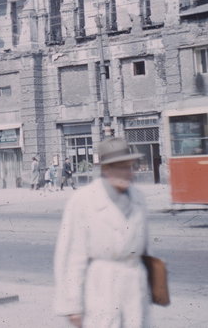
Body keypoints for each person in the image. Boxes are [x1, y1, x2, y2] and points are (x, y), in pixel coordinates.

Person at [54, 137, 150, 328]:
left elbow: (146, 249)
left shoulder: (139, 197)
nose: (129, 173)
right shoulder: (83, 201)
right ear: (107, 169)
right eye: (122, 167)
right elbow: (71, 255)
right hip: (102, 285)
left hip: (135, 286)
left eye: (130, 166)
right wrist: (72, 305)